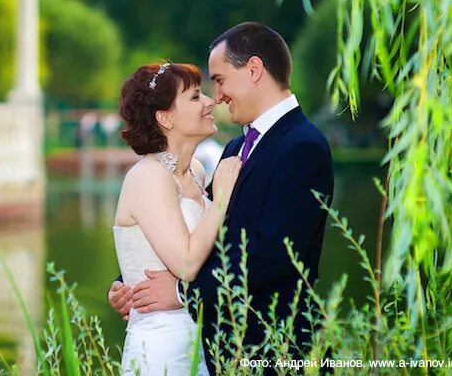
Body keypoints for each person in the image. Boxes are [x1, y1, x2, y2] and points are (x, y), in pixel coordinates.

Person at [108, 22, 334, 374]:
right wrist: (131, 282)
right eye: (205, 89)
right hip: (216, 349)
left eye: (220, 80)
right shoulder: (234, 148)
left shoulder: (303, 146)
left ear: (254, 70)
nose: (217, 96)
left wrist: (183, 294)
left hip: (277, 346)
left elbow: (275, 257)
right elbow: (192, 232)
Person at [112, 61, 243, 375]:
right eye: (196, 97)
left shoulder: (197, 172)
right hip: (161, 347)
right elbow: (185, 263)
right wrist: (220, 200)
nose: (211, 101)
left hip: (202, 338)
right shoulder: (147, 176)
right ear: (165, 117)